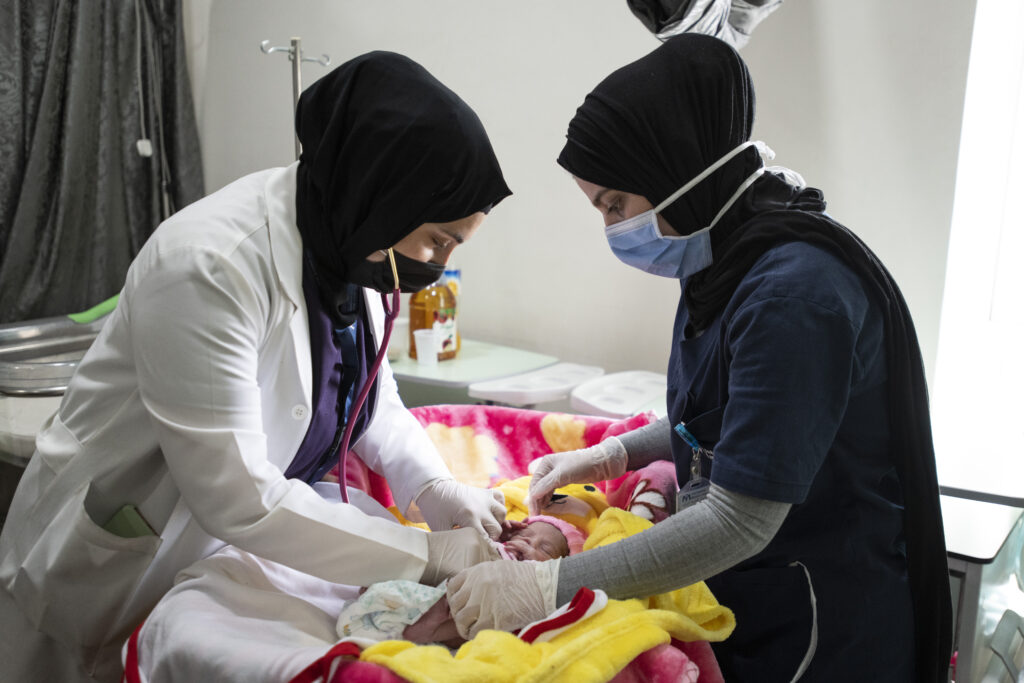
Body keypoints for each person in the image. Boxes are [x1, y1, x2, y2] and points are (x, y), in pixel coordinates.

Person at [445, 35, 952, 682]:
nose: (612, 229)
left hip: (820, 626)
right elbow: (720, 420)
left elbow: (738, 520)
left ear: (677, 173)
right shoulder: (721, 259)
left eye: (615, 205)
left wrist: (546, 584)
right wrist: (611, 455)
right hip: (747, 603)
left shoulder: (794, 298)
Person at [0, 51, 511, 683]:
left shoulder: (354, 246)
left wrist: (435, 490)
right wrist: (427, 554)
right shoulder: (211, 265)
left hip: (228, 562)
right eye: (439, 239)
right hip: (124, 553)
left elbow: (367, 400)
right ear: (383, 195)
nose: (439, 261)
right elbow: (240, 498)